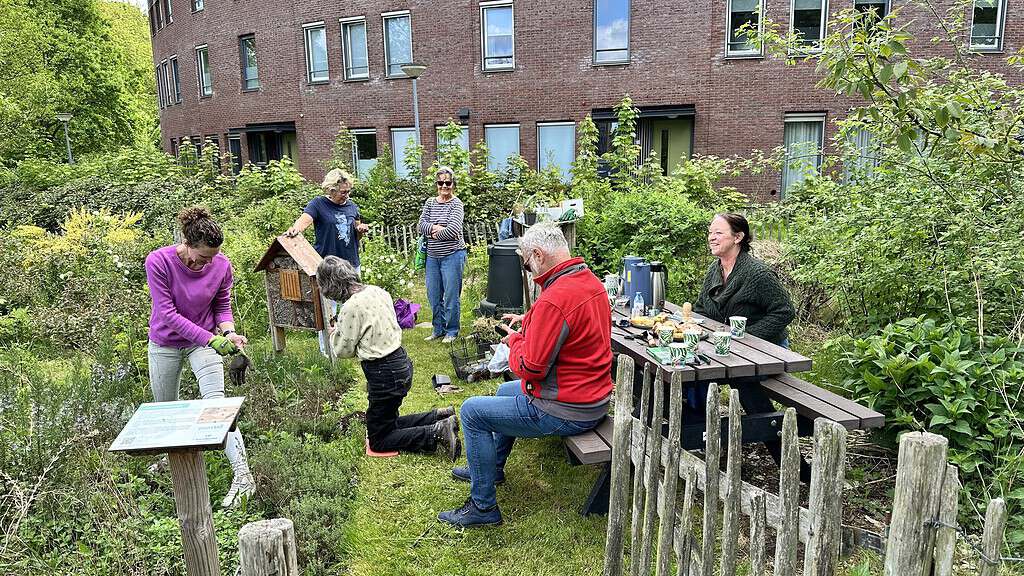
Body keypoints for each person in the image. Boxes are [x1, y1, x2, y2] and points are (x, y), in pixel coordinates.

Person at [438, 222, 612, 528]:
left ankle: (483, 507)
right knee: (506, 394)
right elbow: (562, 320)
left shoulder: (555, 299)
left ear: (538, 254)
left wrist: (515, 339)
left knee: (472, 411)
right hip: (593, 397)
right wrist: (529, 319)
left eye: (526, 261)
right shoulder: (588, 281)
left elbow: (530, 367)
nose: (528, 267)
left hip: (567, 407)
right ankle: (492, 468)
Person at [145, 207, 254, 508]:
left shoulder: (221, 265)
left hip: (205, 343)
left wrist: (229, 332)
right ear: (187, 243)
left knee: (218, 407)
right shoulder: (159, 262)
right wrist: (212, 338)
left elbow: (222, 305)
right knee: (165, 409)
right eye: (202, 257)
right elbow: (167, 314)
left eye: (212, 257)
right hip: (165, 343)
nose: (206, 263)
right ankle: (174, 464)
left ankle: (244, 478)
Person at [317, 255, 460, 458]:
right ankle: (440, 416)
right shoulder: (377, 290)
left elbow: (343, 350)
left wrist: (334, 335)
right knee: (386, 423)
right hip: (401, 362)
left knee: (378, 440)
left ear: (330, 286)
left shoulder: (350, 307)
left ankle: (436, 432)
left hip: (383, 374)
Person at [285, 168, 369, 355]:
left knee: (353, 306)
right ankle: (328, 350)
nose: (346, 195)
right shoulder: (318, 204)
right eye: (343, 192)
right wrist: (295, 229)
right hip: (327, 267)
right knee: (327, 310)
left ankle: (353, 345)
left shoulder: (352, 206)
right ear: (331, 190)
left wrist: (360, 230)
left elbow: (355, 230)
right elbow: (304, 220)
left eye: (348, 191)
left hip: (351, 264)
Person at [694, 213, 795, 346]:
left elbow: (785, 311)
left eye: (718, 233)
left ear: (737, 237)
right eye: (710, 233)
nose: (711, 238)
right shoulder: (714, 269)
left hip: (767, 350)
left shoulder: (758, 273)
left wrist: (747, 336)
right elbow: (701, 307)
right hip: (726, 344)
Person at [417, 167, 466, 344]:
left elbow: (454, 230)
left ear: (453, 184)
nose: (444, 186)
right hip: (432, 257)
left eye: (448, 182)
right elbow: (420, 225)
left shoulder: (457, 204)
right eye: (440, 182)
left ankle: (452, 330)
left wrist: (434, 232)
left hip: (453, 255)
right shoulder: (430, 202)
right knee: (433, 295)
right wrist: (434, 230)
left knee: (451, 296)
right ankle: (438, 329)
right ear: (436, 184)